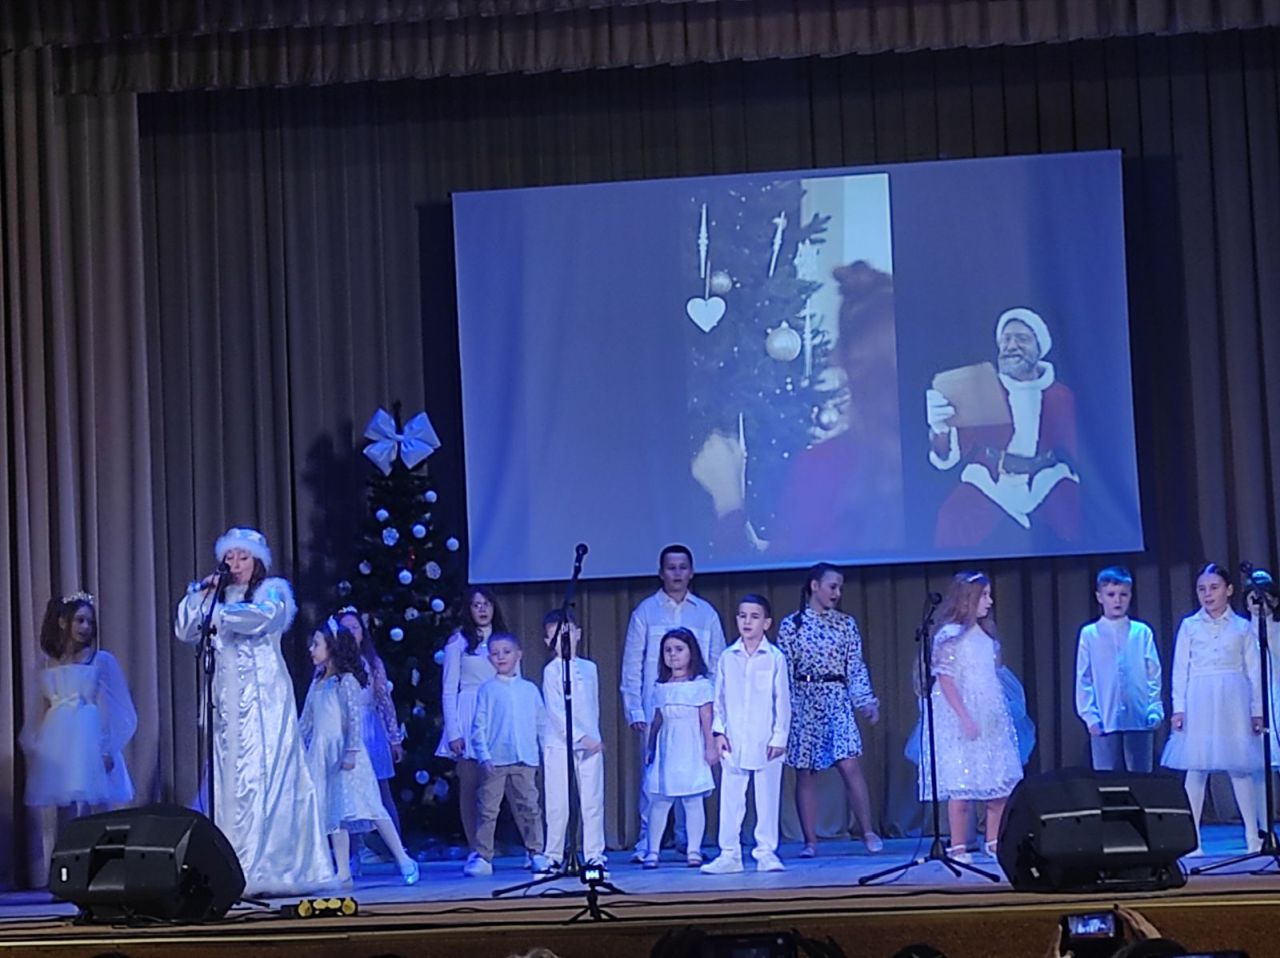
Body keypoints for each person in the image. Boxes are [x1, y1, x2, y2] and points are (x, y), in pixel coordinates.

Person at [693, 261, 905, 558]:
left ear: (843, 359)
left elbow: (786, 581)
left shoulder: (827, 467)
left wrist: (728, 502)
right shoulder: (937, 453)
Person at [174, 526, 333, 895]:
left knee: (265, 776)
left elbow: (262, 619)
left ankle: (270, 865)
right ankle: (232, 863)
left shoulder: (272, 591)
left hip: (265, 701)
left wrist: (220, 614)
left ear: (257, 561)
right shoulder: (217, 597)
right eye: (229, 557)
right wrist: (200, 594)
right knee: (229, 780)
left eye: (242, 557)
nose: (235, 563)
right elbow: (185, 629)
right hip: (227, 703)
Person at [925, 308, 1079, 547]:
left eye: (1022, 339)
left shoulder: (1061, 395)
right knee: (953, 518)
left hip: (1044, 480)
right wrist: (940, 429)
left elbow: (1076, 448)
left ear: (1039, 348)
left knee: (1077, 519)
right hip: (990, 479)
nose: (1012, 346)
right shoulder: (981, 390)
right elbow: (950, 454)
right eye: (1006, 339)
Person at [620, 545, 725, 860]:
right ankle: (647, 842)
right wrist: (635, 709)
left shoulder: (705, 613)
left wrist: (717, 709)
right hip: (657, 706)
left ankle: (688, 841)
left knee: (691, 777)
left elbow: (717, 661)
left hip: (695, 706)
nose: (677, 573)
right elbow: (632, 663)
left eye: (682, 567)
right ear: (661, 572)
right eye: (671, 567)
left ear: (691, 572)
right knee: (655, 778)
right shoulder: (646, 612)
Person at [21, 592, 137, 872]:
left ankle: (101, 869)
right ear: (63, 622)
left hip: (88, 737)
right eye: (80, 620)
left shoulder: (101, 660)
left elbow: (119, 708)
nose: (85, 627)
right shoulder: (46, 663)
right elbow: (40, 708)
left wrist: (108, 747)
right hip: (58, 739)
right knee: (63, 809)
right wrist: (36, 745)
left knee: (94, 808)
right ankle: (64, 869)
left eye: (89, 622)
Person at [300, 618, 419, 885]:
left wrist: (351, 751)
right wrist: (296, 746)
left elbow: (354, 719)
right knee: (334, 812)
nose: (311, 649)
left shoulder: (346, 681)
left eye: (316, 644)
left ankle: (403, 858)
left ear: (332, 646)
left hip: (346, 754)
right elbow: (306, 721)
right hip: (323, 755)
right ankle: (343, 871)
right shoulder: (318, 682)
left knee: (371, 807)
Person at [777, 563, 881, 857]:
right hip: (804, 699)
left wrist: (865, 701)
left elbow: (855, 666)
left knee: (849, 764)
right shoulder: (792, 625)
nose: (837, 593)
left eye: (840, 588)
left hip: (836, 697)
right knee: (806, 771)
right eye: (832, 586)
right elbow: (783, 670)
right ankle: (810, 841)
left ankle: (868, 831)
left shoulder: (846, 624)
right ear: (815, 586)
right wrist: (784, 711)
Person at [918, 571, 1022, 863]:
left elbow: (991, 677)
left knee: (998, 785)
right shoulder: (949, 636)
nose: (990, 601)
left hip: (990, 717)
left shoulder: (987, 637)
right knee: (961, 787)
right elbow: (946, 680)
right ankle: (958, 847)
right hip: (959, 718)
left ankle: (994, 841)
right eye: (984, 595)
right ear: (967, 599)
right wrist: (964, 716)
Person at [1161, 563, 1263, 855]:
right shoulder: (1190, 626)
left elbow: (1254, 671)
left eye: (1214, 588)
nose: (1208, 594)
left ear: (1228, 590)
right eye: (1202, 589)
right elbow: (1180, 670)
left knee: (1240, 767)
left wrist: (1256, 710)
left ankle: (1253, 836)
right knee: (1197, 768)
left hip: (1233, 700)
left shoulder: (1242, 627)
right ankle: (1193, 840)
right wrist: (1178, 708)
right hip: (1200, 699)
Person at [701, 595, 791, 874]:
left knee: (767, 798)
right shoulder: (728, 657)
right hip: (734, 738)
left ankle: (766, 852)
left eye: (754, 616)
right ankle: (730, 854)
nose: (747, 621)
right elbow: (719, 699)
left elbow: (782, 701)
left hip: (766, 739)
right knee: (731, 799)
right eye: (742, 616)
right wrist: (719, 732)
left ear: (767, 623)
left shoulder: (775, 658)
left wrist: (779, 737)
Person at [466, 634, 549, 877]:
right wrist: (483, 756)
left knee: (530, 806)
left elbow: (541, 723)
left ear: (518, 655)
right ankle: (483, 856)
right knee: (488, 809)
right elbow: (479, 726)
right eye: (495, 653)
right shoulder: (487, 690)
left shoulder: (529, 689)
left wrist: (543, 753)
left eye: (506, 652)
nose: (501, 657)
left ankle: (536, 852)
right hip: (496, 760)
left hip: (525, 758)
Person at [436, 586, 508, 851]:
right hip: (468, 713)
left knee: (498, 785)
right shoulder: (458, 642)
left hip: (496, 714)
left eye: (487, 604)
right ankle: (476, 847)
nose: (482, 609)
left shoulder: (503, 641)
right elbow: (449, 689)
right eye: (476, 605)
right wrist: (453, 731)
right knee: (470, 787)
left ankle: (494, 841)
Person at [334, 606, 406, 867]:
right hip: (345, 731)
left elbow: (384, 700)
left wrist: (394, 737)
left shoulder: (372, 663)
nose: (351, 632)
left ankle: (398, 851)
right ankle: (353, 855)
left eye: (356, 627)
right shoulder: (333, 663)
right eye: (346, 628)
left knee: (382, 792)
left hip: (371, 729)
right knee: (348, 794)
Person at [1075, 567, 1164, 772]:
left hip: (1139, 719)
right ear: (1100, 597)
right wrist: (1090, 716)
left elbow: (1153, 674)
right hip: (1104, 721)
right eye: (1111, 595)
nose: (1117, 600)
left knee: (1141, 779)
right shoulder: (1090, 634)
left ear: (1130, 596)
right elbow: (1084, 678)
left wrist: (1154, 709)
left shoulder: (1141, 632)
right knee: (1107, 780)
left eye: (1123, 594)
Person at [643, 628, 717, 868]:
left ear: (691, 652)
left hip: (691, 746)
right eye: (668, 650)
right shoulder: (661, 686)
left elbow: (707, 719)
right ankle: (652, 850)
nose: (672, 655)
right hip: (667, 748)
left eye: (678, 649)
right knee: (660, 801)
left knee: (693, 800)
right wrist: (650, 747)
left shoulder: (700, 685)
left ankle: (694, 850)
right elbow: (657, 720)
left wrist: (710, 747)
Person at [540, 610, 606, 872]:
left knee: (592, 801)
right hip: (559, 745)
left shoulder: (590, 668)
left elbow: (592, 707)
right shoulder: (551, 671)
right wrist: (579, 737)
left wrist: (593, 738)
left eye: (567, 633)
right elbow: (556, 712)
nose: (563, 639)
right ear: (548, 642)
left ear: (578, 634)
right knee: (558, 803)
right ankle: (553, 854)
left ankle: (594, 854)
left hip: (591, 745)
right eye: (556, 636)